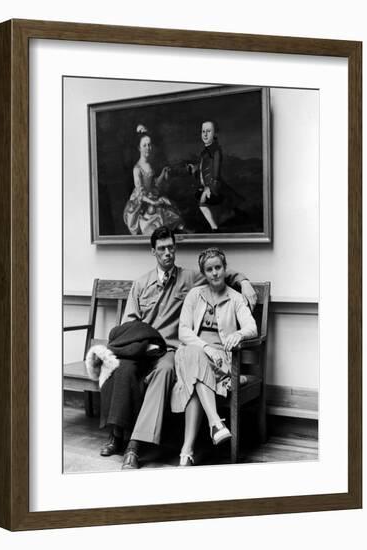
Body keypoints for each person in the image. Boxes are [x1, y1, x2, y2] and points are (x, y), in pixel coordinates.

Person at [103, 225, 257, 469]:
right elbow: (128, 324)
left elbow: (219, 273)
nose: (168, 253)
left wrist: (244, 281)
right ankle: (116, 433)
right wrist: (140, 346)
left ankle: (136, 445)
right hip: (142, 347)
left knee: (164, 372)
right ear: (153, 251)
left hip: (170, 351)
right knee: (122, 368)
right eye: (162, 249)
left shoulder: (189, 278)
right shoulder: (141, 283)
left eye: (171, 248)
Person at [170, 248, 257, 466]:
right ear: (204, 273)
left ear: (225, 269)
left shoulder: (236, 298)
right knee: (193, 354)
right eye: (209, 270)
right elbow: (183, 332)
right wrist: (206, 348)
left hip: (220, 362)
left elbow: (252, 328)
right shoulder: (194, 295)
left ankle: (186, 451)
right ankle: (215, 422)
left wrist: (238, 333)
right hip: (194, 353)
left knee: (195, 379)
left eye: (218, 268)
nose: (215, 273)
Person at [123, 132, 184, 235]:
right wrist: (153, 202)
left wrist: (162, 174)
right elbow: (140, 194)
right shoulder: (137, 169)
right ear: (139, 148)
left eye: (149, 145)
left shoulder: (149, 164)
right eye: (144, 145)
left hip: (151, 195)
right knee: (157, 216)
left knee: (171, 209)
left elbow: (154, 184)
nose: (148, 148)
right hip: (141, 201)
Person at [187, 120, 224, 232]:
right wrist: (195, 167)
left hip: (213, 186)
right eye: (203, 131)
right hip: (206, 185)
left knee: (202, 203)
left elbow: (216, 172)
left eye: (208, 131)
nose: (205, 134)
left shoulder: (216, 151)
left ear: (214, 134)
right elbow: (204, 166)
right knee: (200, 199)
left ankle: (215, 228)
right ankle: (215, 224)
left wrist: (210, 188)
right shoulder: (205, 152)